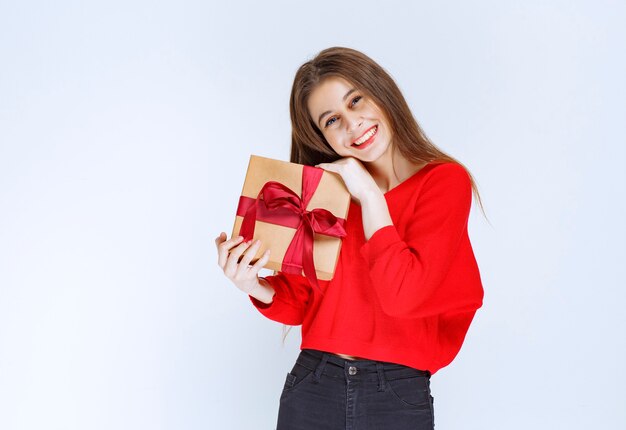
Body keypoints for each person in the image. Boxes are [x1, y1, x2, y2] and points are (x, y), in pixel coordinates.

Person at [215, 47, 485, 430]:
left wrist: (371, 197)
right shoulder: (324, 196)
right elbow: (302, 305)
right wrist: (252, 284)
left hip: (397, 391)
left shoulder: (444, 182)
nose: (353, 124)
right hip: (313, 381)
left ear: (382, 91)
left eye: (356, 100)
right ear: (321, 136)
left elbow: (403, 294)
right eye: (331, 120)